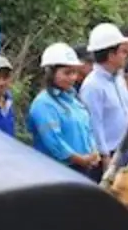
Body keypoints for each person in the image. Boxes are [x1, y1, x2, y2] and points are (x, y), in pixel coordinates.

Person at [28, 42, 101, 181]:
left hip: (82, 169)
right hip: (56, 173)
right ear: (50, 73)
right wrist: (80, 159)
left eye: (74, 72)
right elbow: (54, 141)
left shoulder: (74, 99)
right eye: (67, 73)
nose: (72, 78)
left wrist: (93, 151)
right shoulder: (43, 104)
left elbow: (87, 129)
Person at [80, 22, 128, 164]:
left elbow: (127, 112)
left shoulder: (118, 79)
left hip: (127, 149)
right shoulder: (93, 86)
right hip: (111, 155)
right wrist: (105, 157)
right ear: (111, 55)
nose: (126, 55)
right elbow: (94, 124)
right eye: (122, 51)